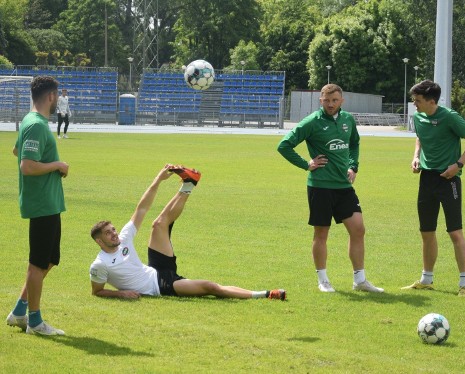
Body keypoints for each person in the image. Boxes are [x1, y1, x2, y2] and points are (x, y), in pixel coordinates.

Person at [89, 164, 286, 301]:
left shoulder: (123, 238)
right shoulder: (100, 264)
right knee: (211, 287)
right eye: (108, 233)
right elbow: (97, 292)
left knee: (158, 224)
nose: (114, 234)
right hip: (160, 285)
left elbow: (141, 208)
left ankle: (189, 183)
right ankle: (266, 293)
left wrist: (158, 179)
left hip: (155, 268)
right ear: (99, 241)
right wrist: (121, 294)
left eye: (113, 229)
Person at [277, 84, 383, 293]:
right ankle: (323, 280)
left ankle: (360, 280)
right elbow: (284, 145)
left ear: (341, 101)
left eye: (335, 100)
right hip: (320, 186)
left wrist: (353, 166)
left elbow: (354, 143)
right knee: (321, 233)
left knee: (358, 229)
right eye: (327, 100)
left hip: (344, 186)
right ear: (321, 101)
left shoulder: (347, 120)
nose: (331, 104)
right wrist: (306, 164)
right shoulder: (312, 122)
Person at [402, 80, 465, 297]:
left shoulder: (450, 117)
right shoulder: (418, 117)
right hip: (427, 179)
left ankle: (464, 284)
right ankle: (426, 279)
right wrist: (416, 157)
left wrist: (458, 165)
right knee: (426, 232)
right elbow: (419, 137)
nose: (414, 104)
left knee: (455, 232)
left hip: (449, 181)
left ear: (431, 101)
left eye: (417, 100)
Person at [6, 76, 69, 336]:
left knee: (49, 260)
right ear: (52, 96)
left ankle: (20, 311)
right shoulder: (36, 125)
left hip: (49, 202)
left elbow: (16, 151)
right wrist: (56, 165)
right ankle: (34, 321)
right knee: (37, 263)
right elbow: (26, 165)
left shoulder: (33, 123)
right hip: (42, 203)